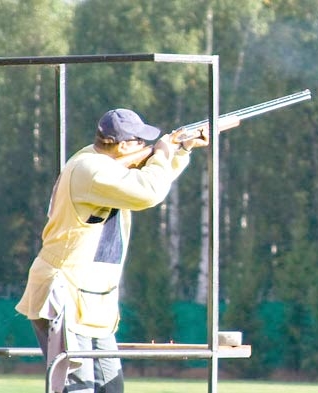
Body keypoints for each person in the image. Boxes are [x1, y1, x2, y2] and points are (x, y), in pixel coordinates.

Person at [15, 108, 208, 393]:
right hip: (64, 294)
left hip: (94, 302)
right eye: (139, 141)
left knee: (111, 388)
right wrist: (163, 152)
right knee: (78, 389)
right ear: (123, 146)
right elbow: (149, 191)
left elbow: (149, 179)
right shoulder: (90, 169)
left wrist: (181, 149)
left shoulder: (104, 164)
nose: (144, 146)